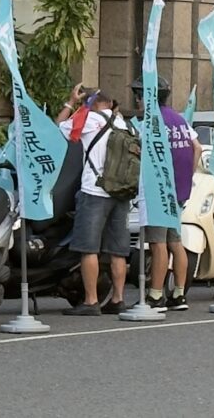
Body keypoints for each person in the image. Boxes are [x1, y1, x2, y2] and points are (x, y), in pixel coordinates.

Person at [59, 89, 132, 315]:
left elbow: (59, 126)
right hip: (121, 192)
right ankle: (118, 298)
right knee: (118, 250)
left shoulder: (88, 119)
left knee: (88, 248)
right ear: (110, 103)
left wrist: (72, 102)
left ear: (90, 103)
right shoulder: (124, 124)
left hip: (94, 192)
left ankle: (91, 301)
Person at [136, 78, 198, 312]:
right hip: (179, 190)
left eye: (139, 96)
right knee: (175, 241)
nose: (138, 101)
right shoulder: (179, 119)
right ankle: (179, 294)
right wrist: (186, 177)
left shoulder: (151, 122)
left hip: (158, 190)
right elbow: (198, 148)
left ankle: (155, 295)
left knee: (158, 243)